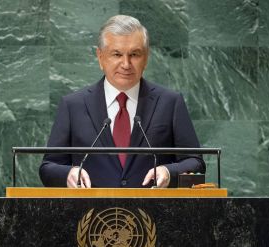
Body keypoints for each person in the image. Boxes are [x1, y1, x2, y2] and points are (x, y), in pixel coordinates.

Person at [39, 15, 205, 188]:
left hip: (155, 212)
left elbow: (195, 162)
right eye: (117, 54)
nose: (126, 64)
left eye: (134, 54)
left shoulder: (170, 103)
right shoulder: (73, 105)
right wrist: (69, 174)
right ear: (100, 57)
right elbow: (48, 168)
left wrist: (169, 172)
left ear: (146, 58)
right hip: (91, 212)